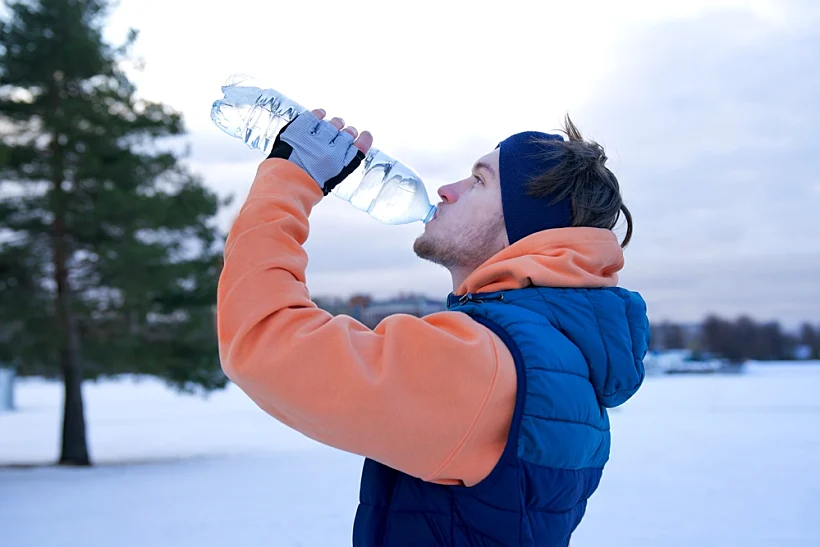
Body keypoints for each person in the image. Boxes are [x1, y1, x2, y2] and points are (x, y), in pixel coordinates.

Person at [217, 107, 649, 547]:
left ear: (525, 226)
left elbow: (265, 339)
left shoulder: (489, 361)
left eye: (479, 181)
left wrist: (290, 178)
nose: (445, 190)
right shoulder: (559, 356)